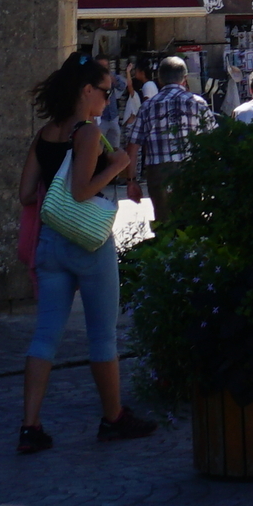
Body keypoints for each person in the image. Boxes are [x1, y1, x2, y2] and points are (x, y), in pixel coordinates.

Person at [19, 58, 148, 454]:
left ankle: (30, 426)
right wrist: (120, 166)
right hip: (88, 242)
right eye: (105, 91)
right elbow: (80, 191)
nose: (109, 99)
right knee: (102, 336)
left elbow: (25, 195)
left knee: (45, 336)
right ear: (85, 91)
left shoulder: (45, 133)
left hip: (51, 243)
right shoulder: (87, 134)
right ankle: (113, 417)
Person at [116, 53, 210, 201]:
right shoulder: (199, 103)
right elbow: (212, 140)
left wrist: (131, 180)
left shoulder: (147, 106)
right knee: (191, 219)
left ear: (159, 79)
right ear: (184, 79)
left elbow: (132, 147)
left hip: (158, 172)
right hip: (191, 170)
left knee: (163, 220)